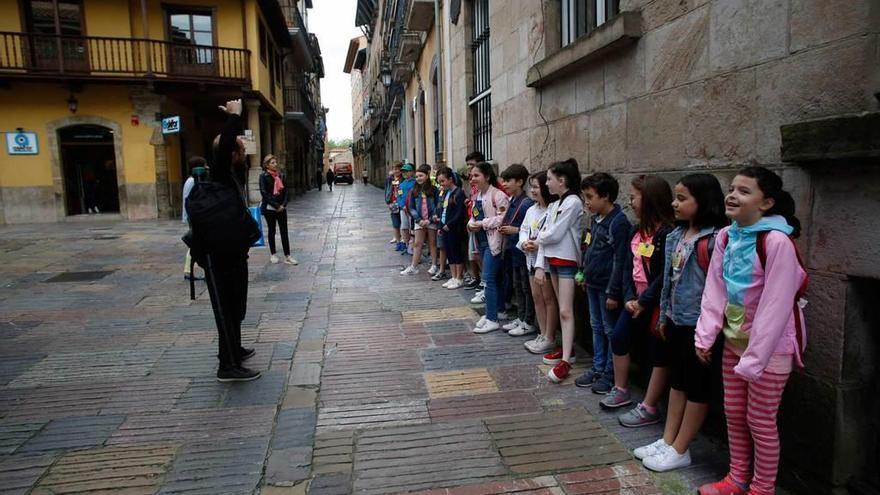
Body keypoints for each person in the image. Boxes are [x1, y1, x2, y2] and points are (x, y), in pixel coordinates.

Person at [696, 167, 807, 495]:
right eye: (732, 188)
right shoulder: (726, 236)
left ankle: (762, 488)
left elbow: (775, 306)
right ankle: (736, 478)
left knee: (760, 422)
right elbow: (715, 289)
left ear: (766, 202)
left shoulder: (776, 242)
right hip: (734, 343)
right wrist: (705, 335)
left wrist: (754, 359)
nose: (732, 195)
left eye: (745, 191)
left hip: (771, 351)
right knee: (734, 414)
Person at [631, 173, 727, 472]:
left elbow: (720, 289)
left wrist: (707, 334)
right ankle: (668, 439)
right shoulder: (675, 235)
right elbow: (668, 282)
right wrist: (663, 315)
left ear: (704, 201)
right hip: (674, 320)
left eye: (682, 198)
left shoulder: (715, 239)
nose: (675, 203)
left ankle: (681, 447)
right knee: (678, 381)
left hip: (700, 327)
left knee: (697, 386)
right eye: (675, 196)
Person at [600, 176, 674, 403]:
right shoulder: (635, 230)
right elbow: (626, 267)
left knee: (655, 352)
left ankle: (652, 402)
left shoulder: (667, 233)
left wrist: (645, 301)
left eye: (633, 197)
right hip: (634, 300)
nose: (630, 202)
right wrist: (630, 296)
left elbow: (664, 275)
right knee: (619, 337)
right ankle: (621, 389)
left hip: (654, 303)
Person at [206, 99, 260, 382]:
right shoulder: (220, 175)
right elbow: (226, 144)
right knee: (227, 308)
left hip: (234, 252)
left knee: (237, 305)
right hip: (221, 256)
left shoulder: (233, 175)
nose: (242, 149)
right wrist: (233, 118)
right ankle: (227, 367)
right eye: (239, 147)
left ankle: (234, 349)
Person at [574, 172, 632, 388]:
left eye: (590, 197)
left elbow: (620, 260)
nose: (587, 202)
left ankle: (609, 372)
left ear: (606, 196)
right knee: (595, 326)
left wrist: (613, 292)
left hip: (607, 287)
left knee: (609, 329)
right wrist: (583, 273)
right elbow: (588, 247)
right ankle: (597, 367)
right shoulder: (595, 219)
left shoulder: (618, 223)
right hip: (592, 283)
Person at [535, 159, 585, 382]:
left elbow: (553, 234)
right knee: (562, 307)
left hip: (566, 260)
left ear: (562, 180)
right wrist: (539, 264)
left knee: (565, 310)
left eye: (549, 179)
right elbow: (548, 235)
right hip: (553, 260)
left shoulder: (573, 202)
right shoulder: (555, 204)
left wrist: (536, 239)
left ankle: (566, 359)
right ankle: (567, 350)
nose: (547, 184)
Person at [520, 171, 560, 355]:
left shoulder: (553, 209)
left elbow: (550, 235)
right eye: (532, 187)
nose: (533, 191)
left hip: (545, 261)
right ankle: (542, 333)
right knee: (537, 297)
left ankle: (550, 336)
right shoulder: (531, 210)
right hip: (531, 259)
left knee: (548, 298)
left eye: (536, 187)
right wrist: (524, 243)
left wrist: (536, 243)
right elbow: (524, 229)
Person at [468, 161, 510, 334]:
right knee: (496, 278)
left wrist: (481, 223)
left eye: (476, 175)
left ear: (487, 176)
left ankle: (491, 318)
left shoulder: (498, 195)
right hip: (481, 241)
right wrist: (471, 223)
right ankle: (498, 310)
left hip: (494, 242)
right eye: (472, 175)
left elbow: (502, 218)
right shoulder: (477, 195)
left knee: (489, 279)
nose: (473, 179)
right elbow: (473, 215)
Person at [498, 164, 535, 336]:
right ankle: (521, 317)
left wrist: (515, 230)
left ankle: (528, 320)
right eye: (503, 180)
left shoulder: (526, 203)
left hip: (522, 251)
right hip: (513, 250)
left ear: (520, 182)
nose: (504, 184)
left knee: (526, 287)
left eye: (508, 181)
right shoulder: (512, 200)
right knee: (518, 286)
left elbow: (530, 229)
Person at [401, 164, 440, 275]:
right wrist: (418, 220)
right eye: (417, 176)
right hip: (419, 221)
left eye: (421, 176)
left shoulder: (434, 190)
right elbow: (411, 207)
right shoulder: (414, 191)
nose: (418, 178)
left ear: (427, 176)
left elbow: (438, 205)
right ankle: (413, 266)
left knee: (432, 242)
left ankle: (434, 265)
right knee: (417, 243)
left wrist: (430, 219)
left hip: (431, 220)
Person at [260, 154, 298, 266]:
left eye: (275, 162)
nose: (275, 164)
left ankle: (287, 256)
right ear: (267, 165)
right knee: (272, 231)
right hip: (270, 208)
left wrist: (283, 205)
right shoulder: (263, 176)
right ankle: (273, 254)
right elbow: (264, 193)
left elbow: (286, 191)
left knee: (284, 231)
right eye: (272, 163)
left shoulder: (280, 176)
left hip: (282, 208)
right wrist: (276, 206)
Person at [436, 166, 466, 289]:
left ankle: (459, 277)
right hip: (445, 227)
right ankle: (453, 276)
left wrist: (449, 224)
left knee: (456, 252)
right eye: (439, 182)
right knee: (449, 252)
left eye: (443, 181)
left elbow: (459, 213)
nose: (441, 184)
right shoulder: (447, 193)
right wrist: (441, 226)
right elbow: (443, 211)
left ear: (450, 179)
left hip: (454, 228)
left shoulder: (458, 193)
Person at [183, 156, 208, 281]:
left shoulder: (190, 180)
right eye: (204, 165)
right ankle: (191, 270)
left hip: (192, 215)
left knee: (195, 242)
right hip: (194, 216)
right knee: (196, 242)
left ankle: (189, 270)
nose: (206, 167)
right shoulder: (193, 181)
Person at [463, 152, 484, 291]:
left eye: (472, 164)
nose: (470, 167)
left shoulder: (485, 183)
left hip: (482, 223)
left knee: (480, 253)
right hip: (472, 221)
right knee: (474, 254)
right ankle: (478, 279)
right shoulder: (472, 182)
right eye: (468, 165)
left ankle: (484, 281)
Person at [397, 163, 416, 255]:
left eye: (407, 171)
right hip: (403, 209)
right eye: (403, 171)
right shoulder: (401, 184)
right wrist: (402, 206)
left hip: (412, 209)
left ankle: (412, 246)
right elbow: (399, 196)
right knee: (404, 227)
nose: (405, 173)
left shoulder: (415, 183)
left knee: (412, 227)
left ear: (412, 172)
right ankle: (406, 243)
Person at [385, 163, 404, 251]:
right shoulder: (390, 179)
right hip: (393, 202)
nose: (396, 171)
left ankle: (404, 240)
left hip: (402, 203)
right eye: (394, 169)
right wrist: (387, 200)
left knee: (403, 223)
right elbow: (387, 189)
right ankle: (398, 241)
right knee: (395, 223)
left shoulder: (403, 179)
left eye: (398, 169)